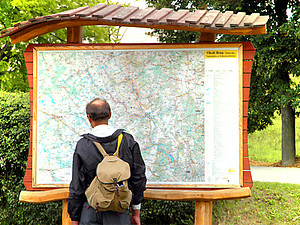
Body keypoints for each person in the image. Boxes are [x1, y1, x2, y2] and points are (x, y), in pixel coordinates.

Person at [68, 98, 147, 225]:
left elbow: (77, 185)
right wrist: (136, 211)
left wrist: (75, 218)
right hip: (119, 210)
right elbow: (138, 177)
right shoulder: (127, 140)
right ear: (110, 115)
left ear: (89, 118)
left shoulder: (83, 144)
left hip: (90, 209)